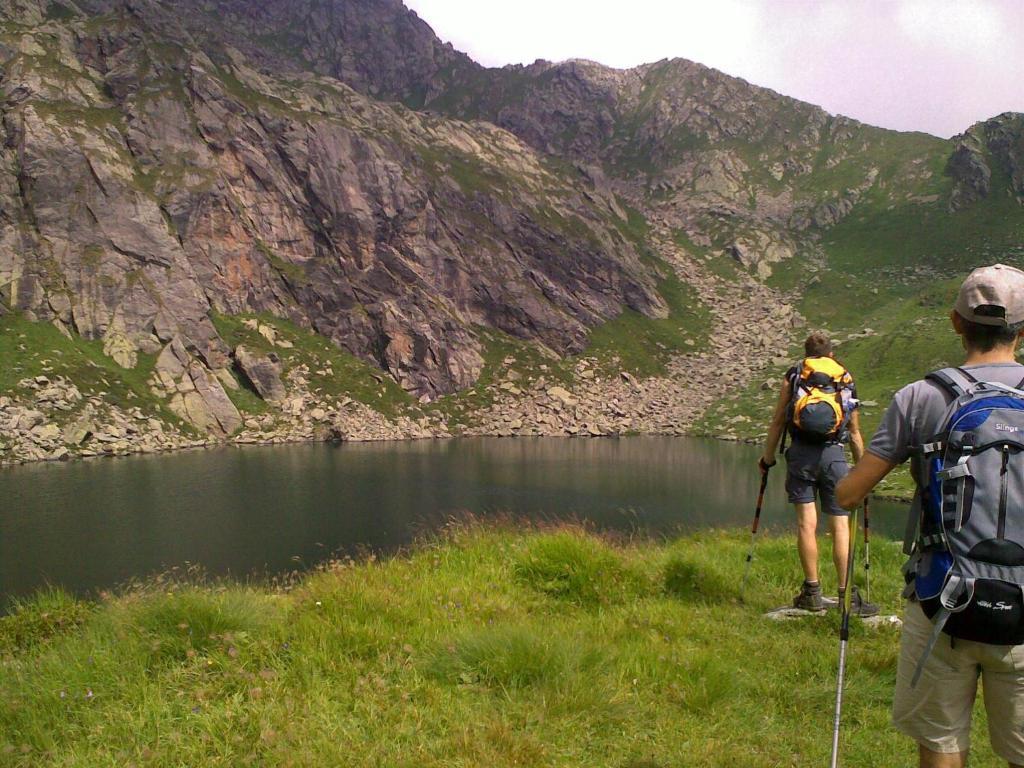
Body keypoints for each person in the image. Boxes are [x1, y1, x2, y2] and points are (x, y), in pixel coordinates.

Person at [837, 263, 1024, 768]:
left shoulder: (921, 397)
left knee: (941, 744)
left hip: (942, 599)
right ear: (1022, 331)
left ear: (956, 322)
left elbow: (851, 494)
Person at [760, 331, 878, 615]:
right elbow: (854, 432)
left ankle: (812, 592)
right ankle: (846, 595)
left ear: (806, 353)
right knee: (839, 524)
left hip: (800, 454)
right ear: (831, 354)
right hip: (833, 456)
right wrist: (862, 471)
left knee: (806, 525)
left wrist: (767, 458)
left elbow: (778, 421)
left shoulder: (795, 374)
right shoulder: (844, 377)